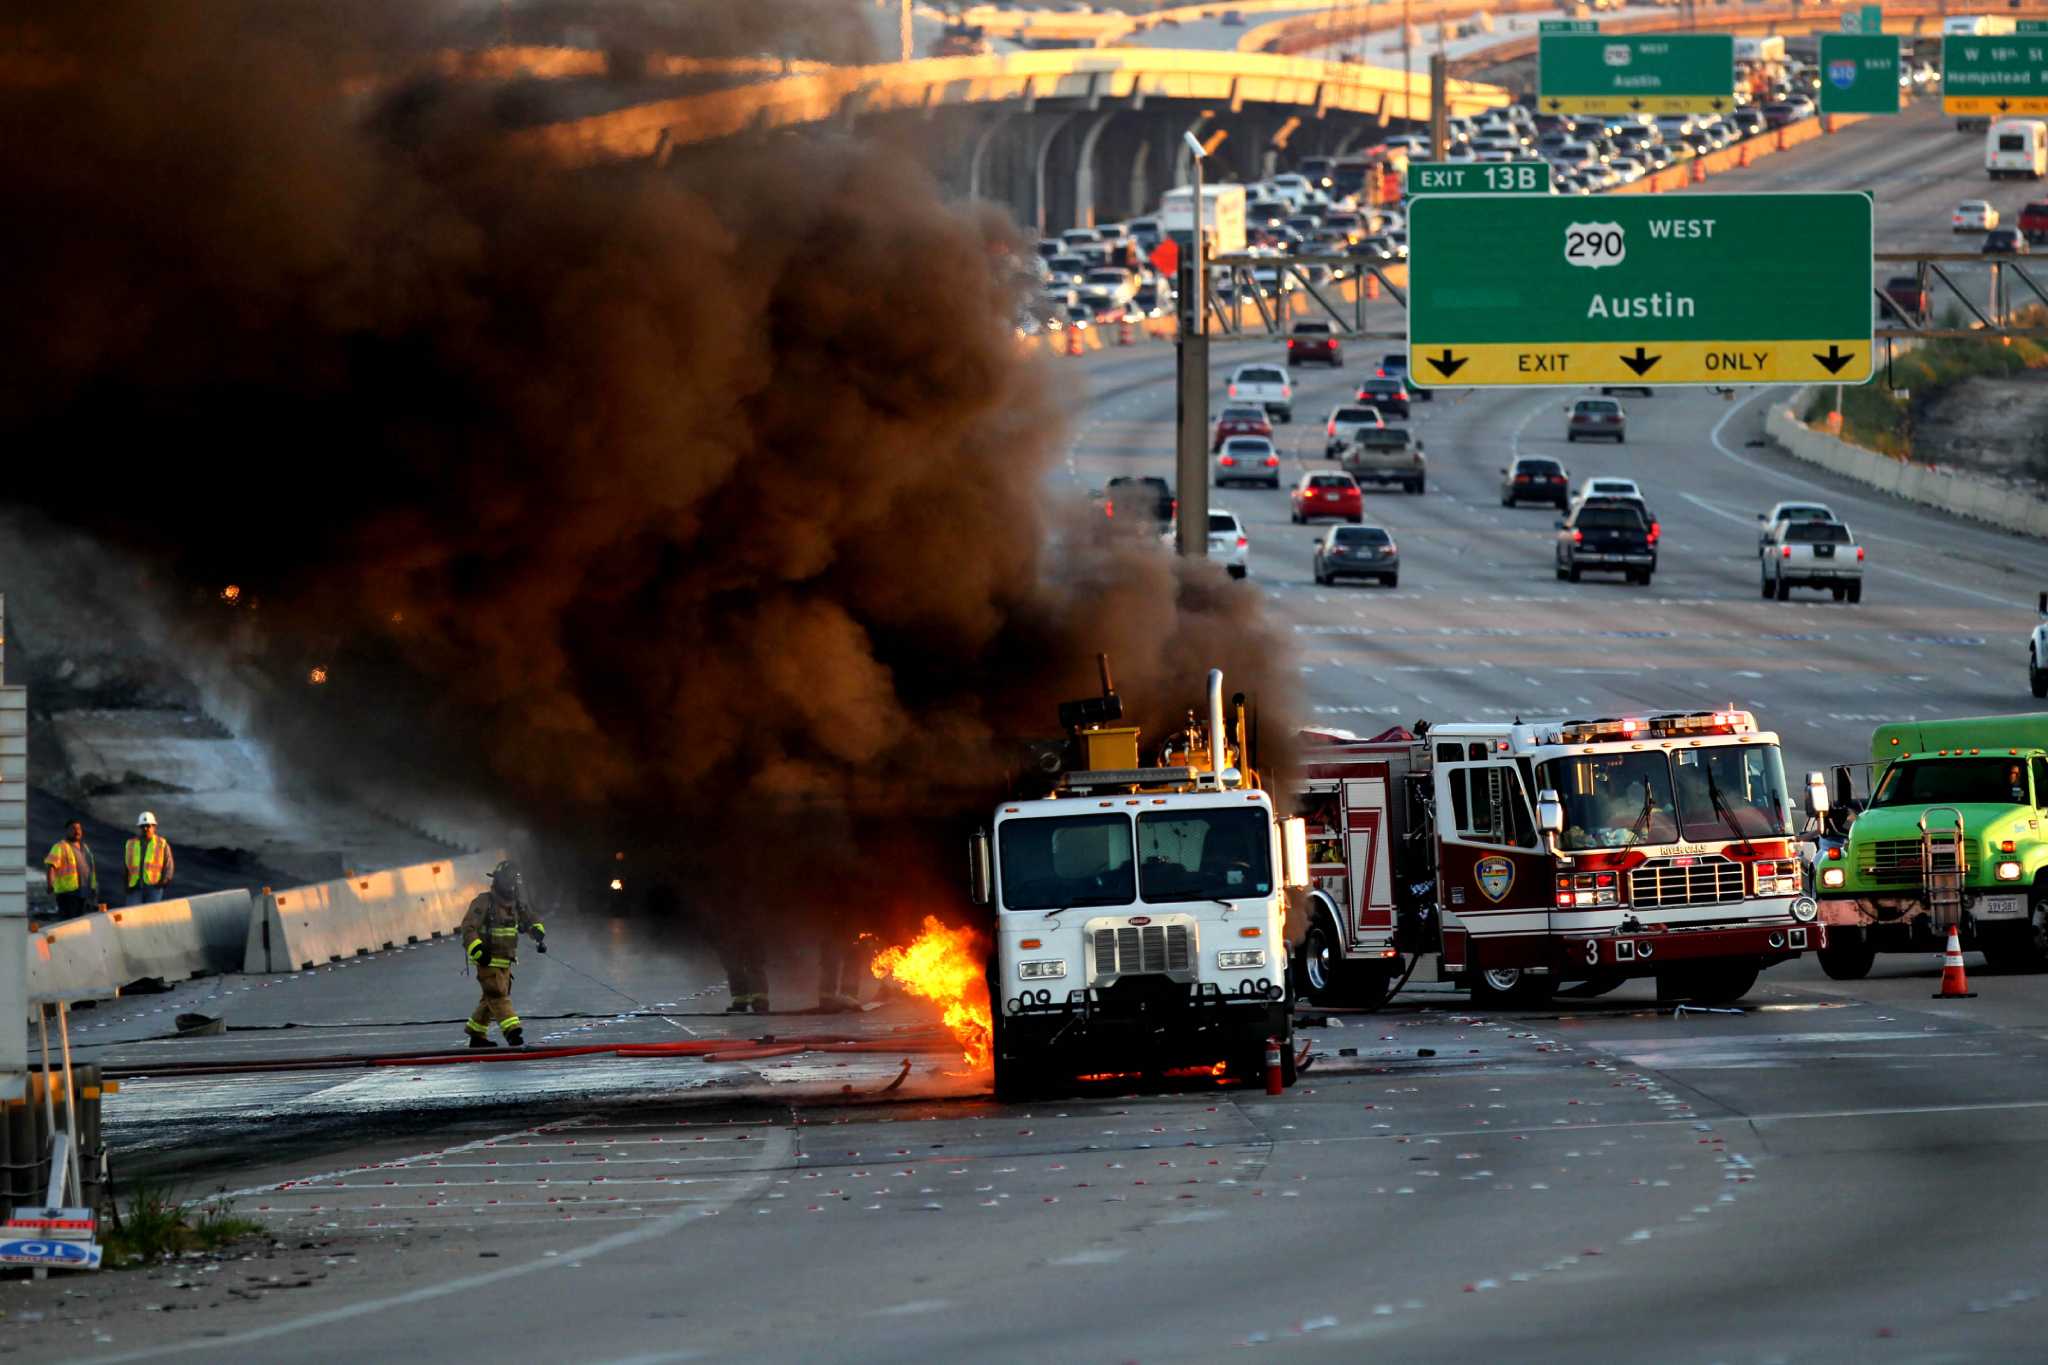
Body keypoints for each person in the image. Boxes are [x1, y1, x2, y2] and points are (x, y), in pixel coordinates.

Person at [458, 860, 546, 1048]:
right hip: (487, 960)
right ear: (498, 881)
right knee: (498, 995)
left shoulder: (516, 905)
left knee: (490, 999)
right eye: (508, 882)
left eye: (514, 882)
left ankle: (476, 1034)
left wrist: (537, 931)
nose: (511, 887)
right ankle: (512, 1031)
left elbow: (530, 919)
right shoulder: (484, 902)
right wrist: (477, 949)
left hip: (506, 960)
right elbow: (468, 928)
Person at [44, 820, 98, 920]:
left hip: (84, 892)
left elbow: (90, 869)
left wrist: (93, 888)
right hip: (68, 894)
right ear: (67, 831)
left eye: (79, 828)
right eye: (73, 828)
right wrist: (50, 884)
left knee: (80, 922)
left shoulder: (85, 848)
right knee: (68, 922)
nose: (77, 831)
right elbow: (51, 866)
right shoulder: (60, 847)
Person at [123, 812, 174, 906]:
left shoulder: (162, 844)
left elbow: (168, 866)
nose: (145, 828)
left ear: (154, 827)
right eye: (142, 826)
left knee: (150, 916)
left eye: (148, 826)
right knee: (133, 915)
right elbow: (126, 866)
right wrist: (126, 885)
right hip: (134, 887)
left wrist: (163, 883)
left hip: (154, 888)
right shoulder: (130, 844)